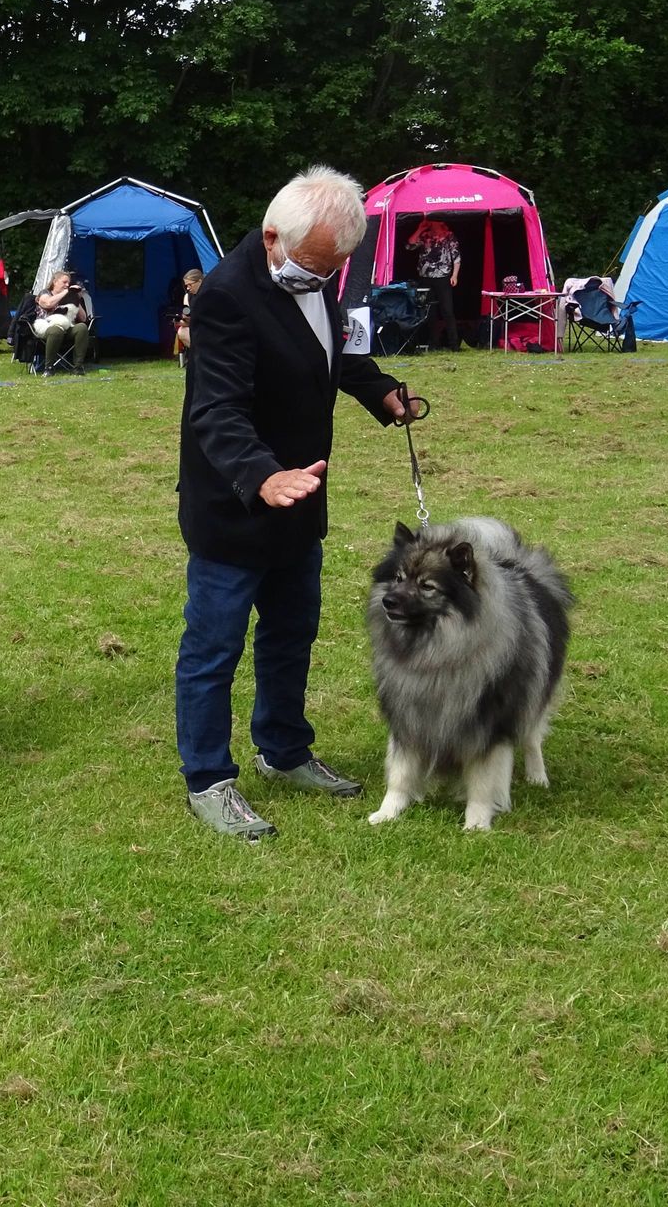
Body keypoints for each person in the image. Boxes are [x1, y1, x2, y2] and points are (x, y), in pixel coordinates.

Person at [176, 166, 424, 839]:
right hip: (236, 503)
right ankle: (208, 778)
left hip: (300, 501)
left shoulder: (315, 274)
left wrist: (381, 391)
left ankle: (284, 751)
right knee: (214, 646)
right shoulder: (226, 297)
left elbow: (328, 351)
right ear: (271, 237)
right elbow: (216, 409)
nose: (322, 281)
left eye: (332, 271)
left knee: (291, 636)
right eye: (314, 268)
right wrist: (262, 476)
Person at [406, 216, 461, 350]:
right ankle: (433, 343)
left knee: (447, 310)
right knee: (430, 311)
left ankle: (454, 344)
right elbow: (410, 245)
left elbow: (456, 256)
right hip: (426, 277)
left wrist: (455, 275)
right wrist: (420, 229)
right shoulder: (425, 236)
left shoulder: (449, 236)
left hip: (443, 276)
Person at [29, 271, 94, 373]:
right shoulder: (45, 293)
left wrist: (76, 298)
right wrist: (66, 292)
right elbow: (48, 303)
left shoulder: (69, 295)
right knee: (56, 330)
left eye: (68, 283)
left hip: (67, 327)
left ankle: (78, 367)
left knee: (82, 327)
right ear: (55, 282)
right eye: (64, 282)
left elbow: (83, 318)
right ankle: (49, 367)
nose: (67, 285)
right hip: (47, 327)